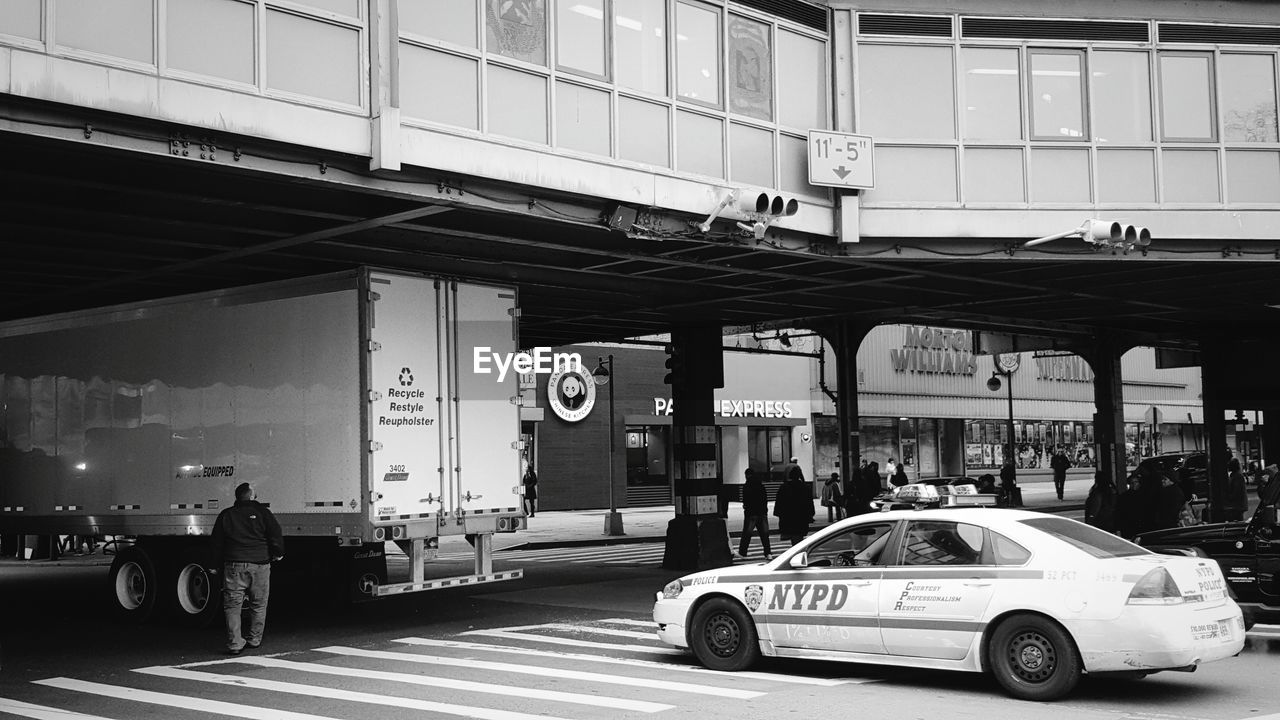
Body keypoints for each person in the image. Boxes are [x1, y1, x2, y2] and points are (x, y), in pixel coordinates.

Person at [210, 482, 284, 656]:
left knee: (232, 606)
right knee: (258, 604)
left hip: (234, 566)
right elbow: (275, 534)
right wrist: (278, 553)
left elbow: (216, 543)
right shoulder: (263, 513)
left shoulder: (226, 515)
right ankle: (254, 639)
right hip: (260, 565)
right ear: (251, 496)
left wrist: (213, 565)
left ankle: (235, 643)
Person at [772, 465, 814, 546]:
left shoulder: (784, 487)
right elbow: (809, 503)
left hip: (788, 517)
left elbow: (779, 503)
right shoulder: (805, 487)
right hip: (800, 518)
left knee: (793, 539)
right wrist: (810, 515)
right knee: (798, 538)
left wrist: (779, 513)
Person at [736, 468, 772, 560]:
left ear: (747, 475)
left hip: (751, 513)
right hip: (762, 512)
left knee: (747, 533)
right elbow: (765, 498)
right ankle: (768, 553)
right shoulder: (760, 485)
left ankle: (743, 552)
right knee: (764, 534)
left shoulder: (747, 485)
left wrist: (746, 506)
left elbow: (746, 499)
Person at [1224, 457, 1248, 522]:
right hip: (1238, 505)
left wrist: (1229, 497)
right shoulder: (1236, 476)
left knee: (1237, 520)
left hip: (1237, 505)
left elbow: (1236, 492)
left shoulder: (1237, 476)